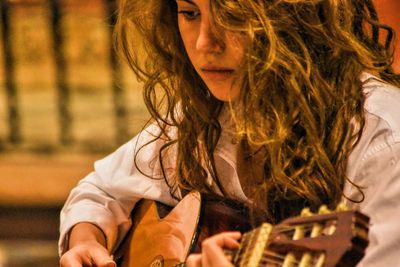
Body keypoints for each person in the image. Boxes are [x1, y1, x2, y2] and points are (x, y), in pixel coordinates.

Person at [59, 0, 400, 266]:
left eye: (232, 15)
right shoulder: (208, 114)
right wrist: (86, 240)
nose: (206, 43)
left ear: (294, 18)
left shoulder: (382, 140)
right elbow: (100, 190)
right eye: (190, 13)